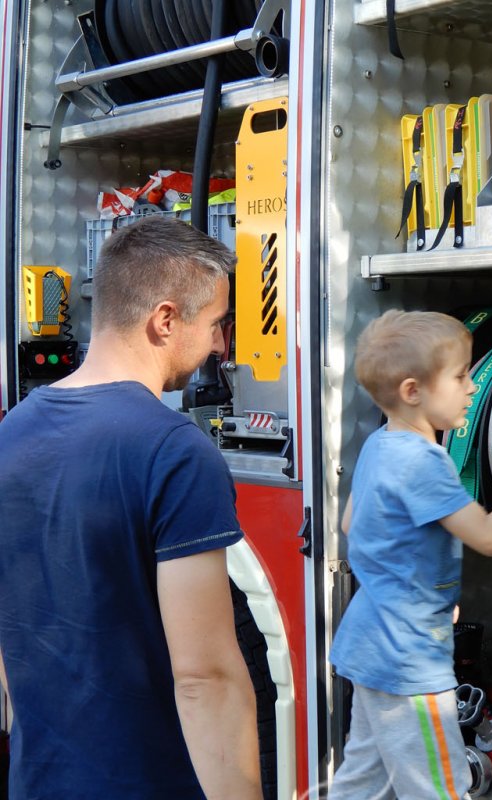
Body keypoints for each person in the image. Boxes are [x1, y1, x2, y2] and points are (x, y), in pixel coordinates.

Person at [0, 216, 262, 799]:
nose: (221, 344)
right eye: (217, 323)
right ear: (165, 320)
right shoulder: (175, 451)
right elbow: (205, 678)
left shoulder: (11, 432)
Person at [328, 309, 492, 800]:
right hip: (409, 665)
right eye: (460, 376)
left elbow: (352, 526)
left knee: (362, 784)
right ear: (413, 391)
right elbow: (490, 536)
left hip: (369, 646)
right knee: (441, 788)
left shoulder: (378, 446)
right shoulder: (424, 462)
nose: (473, 386)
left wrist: (419, 587)